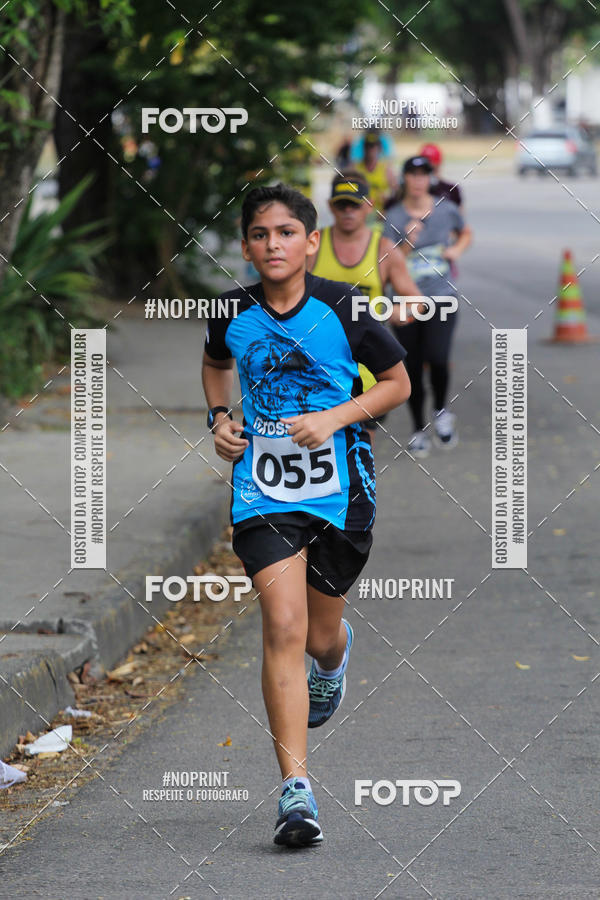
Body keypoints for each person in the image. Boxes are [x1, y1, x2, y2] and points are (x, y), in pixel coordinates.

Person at [202, 183, 411, 847]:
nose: (273, 245)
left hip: (340, 493)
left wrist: (333, 417)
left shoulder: (343, 306)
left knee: (319, 635)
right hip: (263, 494)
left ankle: (336, 659)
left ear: (310, 242)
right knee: (281, 625)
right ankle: (297, 792)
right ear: (246, 246)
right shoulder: (231, 312)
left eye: (287, 232)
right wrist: (219, 420)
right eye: (261, 234)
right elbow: (214, 366)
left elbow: (396, 385)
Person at [308, 170, 421, 431]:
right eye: (341, 204)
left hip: (367, 373)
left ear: (369, 206)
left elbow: (417, 302)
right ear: (330, 206)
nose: (348, 211)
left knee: (359, 455)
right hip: (315, 367)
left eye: (355, 205)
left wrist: (397, 312)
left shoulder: (384, 250)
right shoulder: (312, 246)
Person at [384, 155, 472, 457]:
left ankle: (441, 411)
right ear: (405, 178)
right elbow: (385, 261)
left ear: (430, 178)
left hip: (442, 298)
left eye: (424, 175)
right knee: (411, 366)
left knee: (437, 357)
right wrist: (407, 242)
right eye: (413, 174)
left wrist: (455, 250)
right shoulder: (393, 216)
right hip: (406, 302)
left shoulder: (446, 209)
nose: (419, 181)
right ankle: (418, 427)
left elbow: (466, 231)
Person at [354, 131, 396, 214]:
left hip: (381, 213)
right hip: (362, 213)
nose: (371, 150)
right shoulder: (356, 169)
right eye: (368, 146)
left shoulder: (386, 170)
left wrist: (387, 199)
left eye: (373, 146)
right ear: (364, 148)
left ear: (379, 149)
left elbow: (395, 192)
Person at [419, 143, 462, 208]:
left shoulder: (451, 189)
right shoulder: (415, 190)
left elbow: (458, 215)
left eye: (433, 168)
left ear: (438, 164)